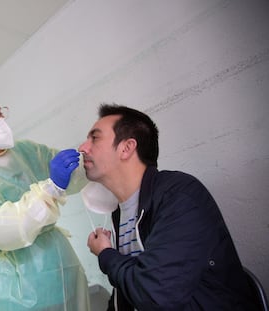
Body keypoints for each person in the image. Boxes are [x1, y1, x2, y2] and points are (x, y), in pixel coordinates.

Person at [80, 103, 259, 310]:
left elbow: (155, 295)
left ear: (127, 148)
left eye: (95, 138)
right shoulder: (122, 212)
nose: (82, 147)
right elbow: (127, 289)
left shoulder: (180, 196)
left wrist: (106, 253)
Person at [0, 86, 90, 311]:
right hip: (12, 288)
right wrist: (51, 189)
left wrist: (91, 162)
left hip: (60, 269)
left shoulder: (27, 151)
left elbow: (73, 176)